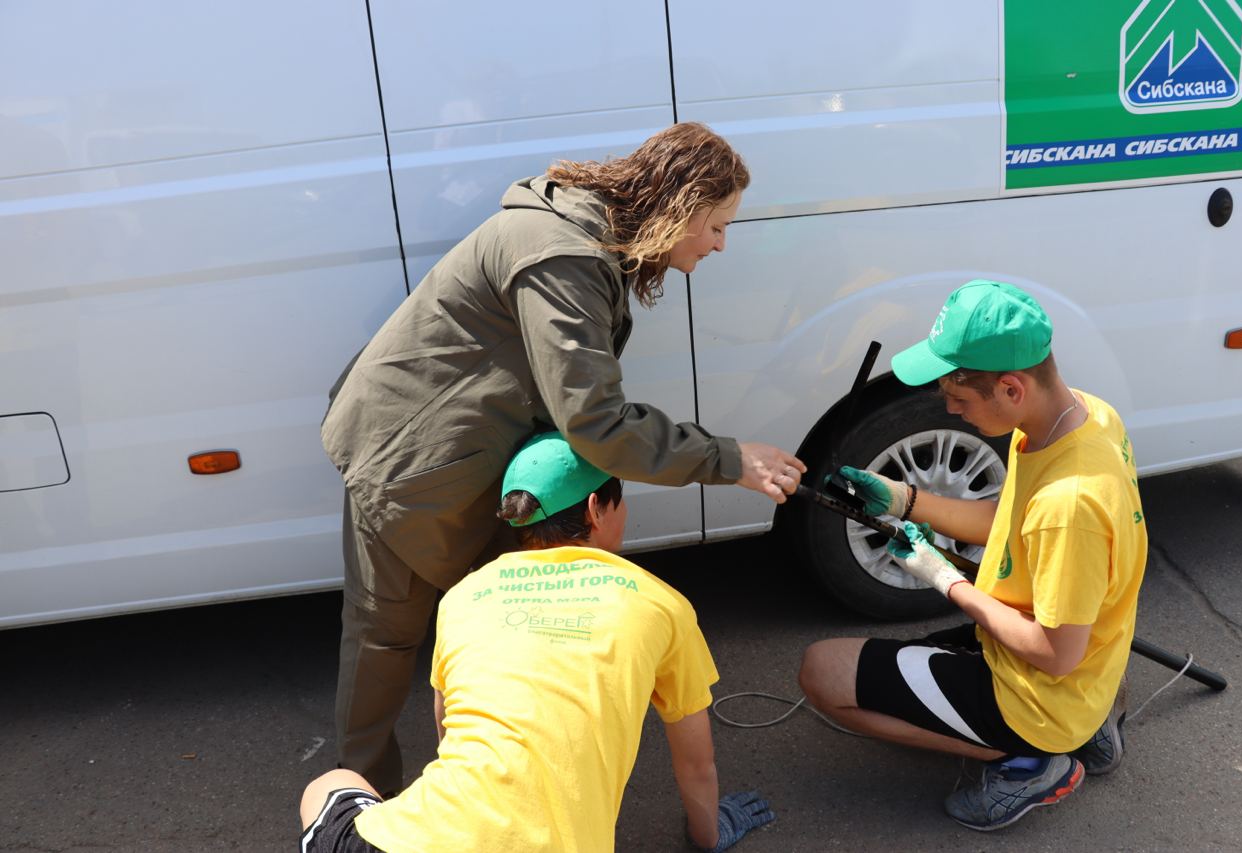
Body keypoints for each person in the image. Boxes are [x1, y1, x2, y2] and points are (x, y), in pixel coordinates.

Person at [320, 122, 806, 795]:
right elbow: (596, 422)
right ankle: (363, 812)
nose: (723, 242)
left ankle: (505, 787)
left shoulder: (583, 239)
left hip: (463, 454)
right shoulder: (564, 254)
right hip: (405, 460)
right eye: (719, 224)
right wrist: (727, 459)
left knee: (501, 627)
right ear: (682, 209)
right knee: (386, 641)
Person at [299, 431, 775, 852]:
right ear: (595, 509)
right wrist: (709, 835)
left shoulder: (465, 596)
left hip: (409, 840)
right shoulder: (660, 603)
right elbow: (696, 763)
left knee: (331, 783)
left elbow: (449, 731)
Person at [797, 280, 1147, 831]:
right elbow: (1009, 524)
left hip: (1043, 686)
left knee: (824, 673)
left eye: (959, 399)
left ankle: (1038, 760)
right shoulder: (1082, 418)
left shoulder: (1070, 504)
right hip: (1082, 666)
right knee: (897, 664)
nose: (952, 410)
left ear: (1011, 388)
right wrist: (903, 499)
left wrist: (943, 578)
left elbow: (1055, 653)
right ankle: (1088, 718)